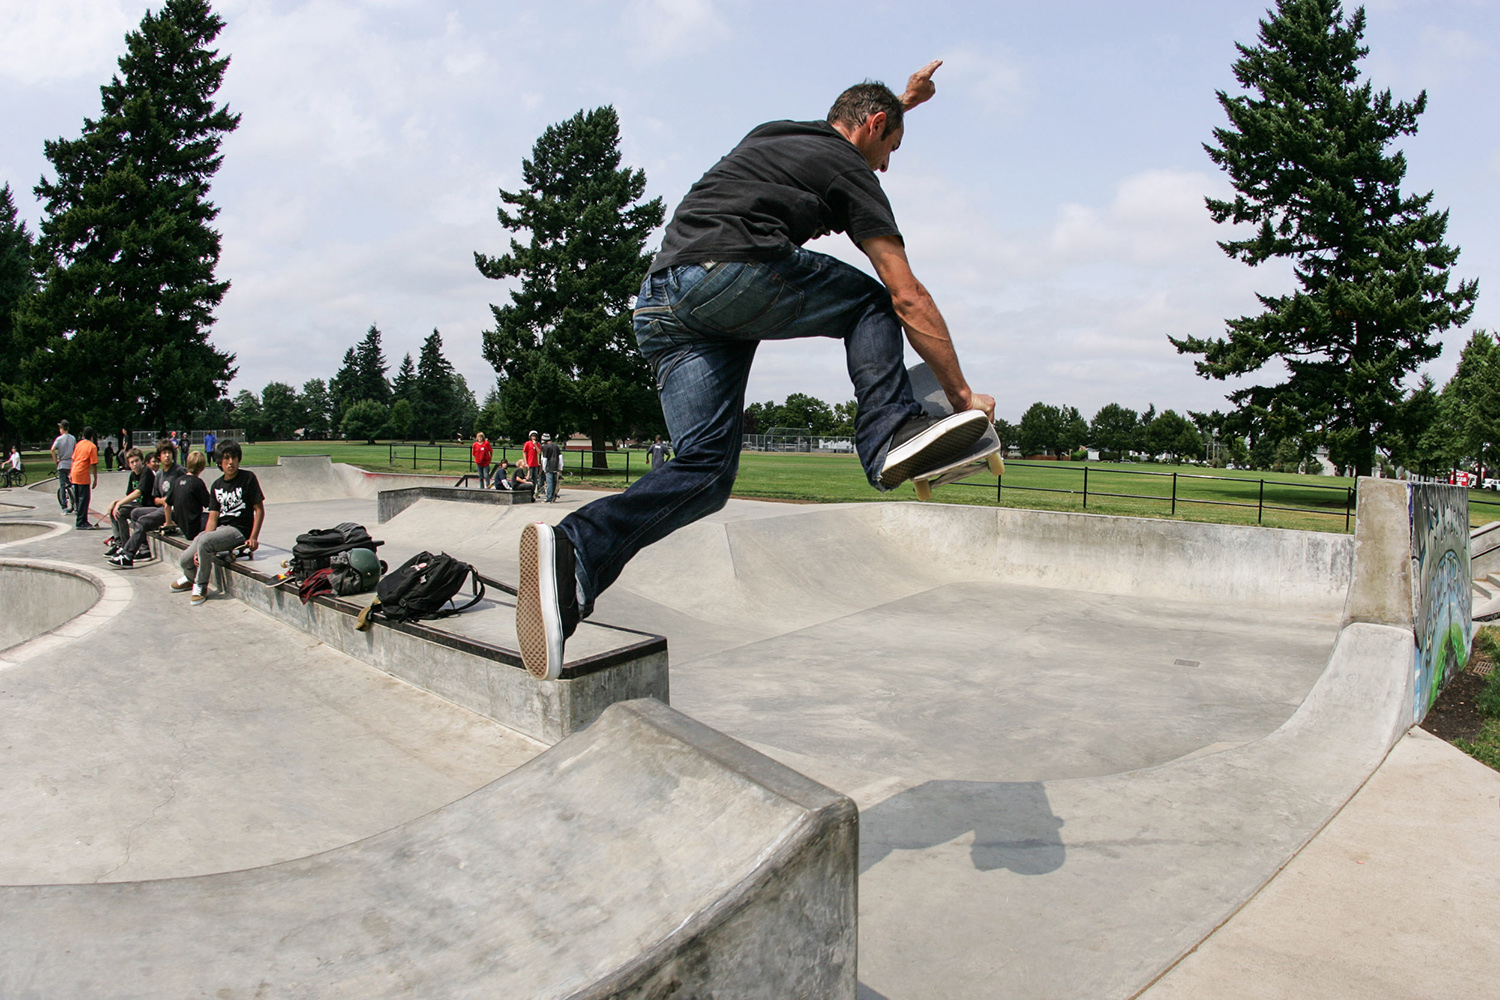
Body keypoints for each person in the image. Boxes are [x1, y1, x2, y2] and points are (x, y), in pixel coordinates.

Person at [514, 62, 996, 679]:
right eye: (890, 151)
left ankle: (575, 554)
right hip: (730, 273)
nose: (884, 169)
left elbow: (852, 124)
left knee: (705, 472)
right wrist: (960, 395)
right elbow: (908, 295)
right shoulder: (852, 169)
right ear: (873, 127)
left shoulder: (776, 134)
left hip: (664, 305)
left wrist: (903, 103)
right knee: (875, 301)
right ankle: (888, 436)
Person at [171, 440, 264, 607]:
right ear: (219, 462)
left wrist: (253, 537)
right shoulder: (216, 485)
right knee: (186, 559)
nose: (231, 463)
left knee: (205, 542)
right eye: (226, 459)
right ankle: (190, 577)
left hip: (239, 531)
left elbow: (259, 510)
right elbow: (213, 518)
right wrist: (205, 540)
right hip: (221, 529)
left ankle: (200, 585)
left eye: (234, 458)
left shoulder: (248, 478)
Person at [110, 441, 184, 567]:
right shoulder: (160, 475)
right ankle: (144, 550)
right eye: (164, 453)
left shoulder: (179, 471)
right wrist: (164, 500)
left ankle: (128, 555)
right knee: (135, 513)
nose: (167, 456)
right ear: (159, 457)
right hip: (161, 508)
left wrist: (170, 500)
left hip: (174, 511)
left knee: (143, 521)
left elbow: (188, 488)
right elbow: (155, 499)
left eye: (169, 453)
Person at [106, 447, 154, 554]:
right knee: (114, 510)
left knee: (121, 512)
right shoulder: (132, 475)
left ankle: (127, 546)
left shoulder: (146, 472)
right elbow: (130, 496)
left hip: (148, 507)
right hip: (138, 505)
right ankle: (119, 543)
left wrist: (119, 503)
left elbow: (138, 492)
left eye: (137, 461)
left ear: (141, 460)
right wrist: (115, 503)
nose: (135, 464)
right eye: (132, 462)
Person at [167, 450, 212, 541]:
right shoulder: (197, 483)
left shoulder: (177, 481)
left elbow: (167, 505)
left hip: (182, 525)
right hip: (194, 527)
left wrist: (169, 522)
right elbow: (211, 505)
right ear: (202, 467)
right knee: (216, 518)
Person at [69, 426, 99, 529]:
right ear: (92, 436)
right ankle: (81, 522)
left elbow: (74, 459)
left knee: (78, 498)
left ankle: (82, 519)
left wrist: (70, 473)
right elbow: (93, 464)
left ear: (83, 435)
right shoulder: (92, 446)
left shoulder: (78, 444)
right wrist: (95, 478)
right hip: (82, 474)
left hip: (74, 471)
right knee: (84, 498)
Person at [51, 420, 76, 514]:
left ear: (62, 428)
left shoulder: (59, 439)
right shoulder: (73, 438)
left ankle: (64, 508)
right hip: (71, 463)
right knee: (73, 484)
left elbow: (52, 449)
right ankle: (76, 504)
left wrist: (55, 461)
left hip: (62, 464)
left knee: (62, 486)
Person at [540, 433, 561, 503]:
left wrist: (544, 468)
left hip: (549, 467)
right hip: (555, 466)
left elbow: (545, 459)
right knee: (554, 482)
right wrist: (560, 467)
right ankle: (553, 496)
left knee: (549, 483)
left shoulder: (546, 447)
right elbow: (560, 457)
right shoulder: (556, 446)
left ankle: (549, 498)